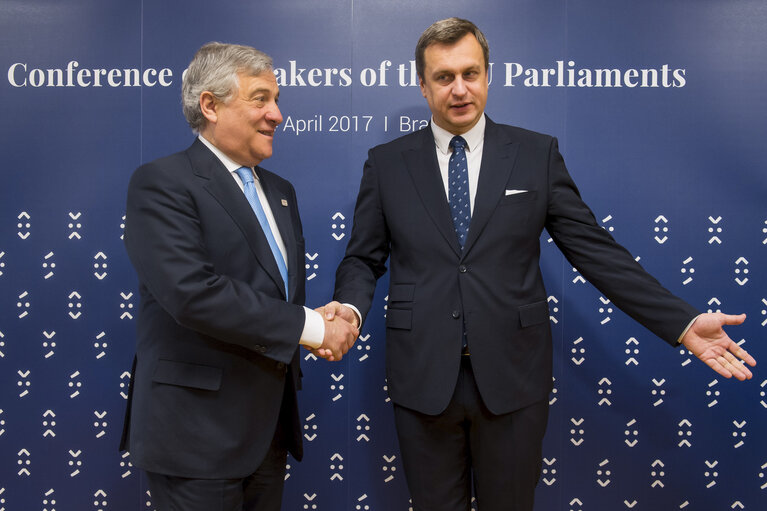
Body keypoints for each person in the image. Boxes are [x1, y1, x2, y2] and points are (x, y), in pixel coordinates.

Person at [321, 18, 756, 511]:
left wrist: (681, 322)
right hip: (420, 375)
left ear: (489, 76)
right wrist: (351, 310)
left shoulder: (535, 154)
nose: (459, 89)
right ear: (422, 85)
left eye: (471, 73)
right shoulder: (387, 163)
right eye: (444, 77)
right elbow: (362, 256)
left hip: (513, 377)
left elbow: (595, 251)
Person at [119, 42, 358, 511]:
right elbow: (193, 294)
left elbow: (271, 294)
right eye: (260, 99)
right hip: (195, 439)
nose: (277, 115)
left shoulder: (280, 191)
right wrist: (311, 328)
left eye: (277, 99)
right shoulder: (162, 182)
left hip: (267, 435)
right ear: (210, 105)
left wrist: (314, 318)